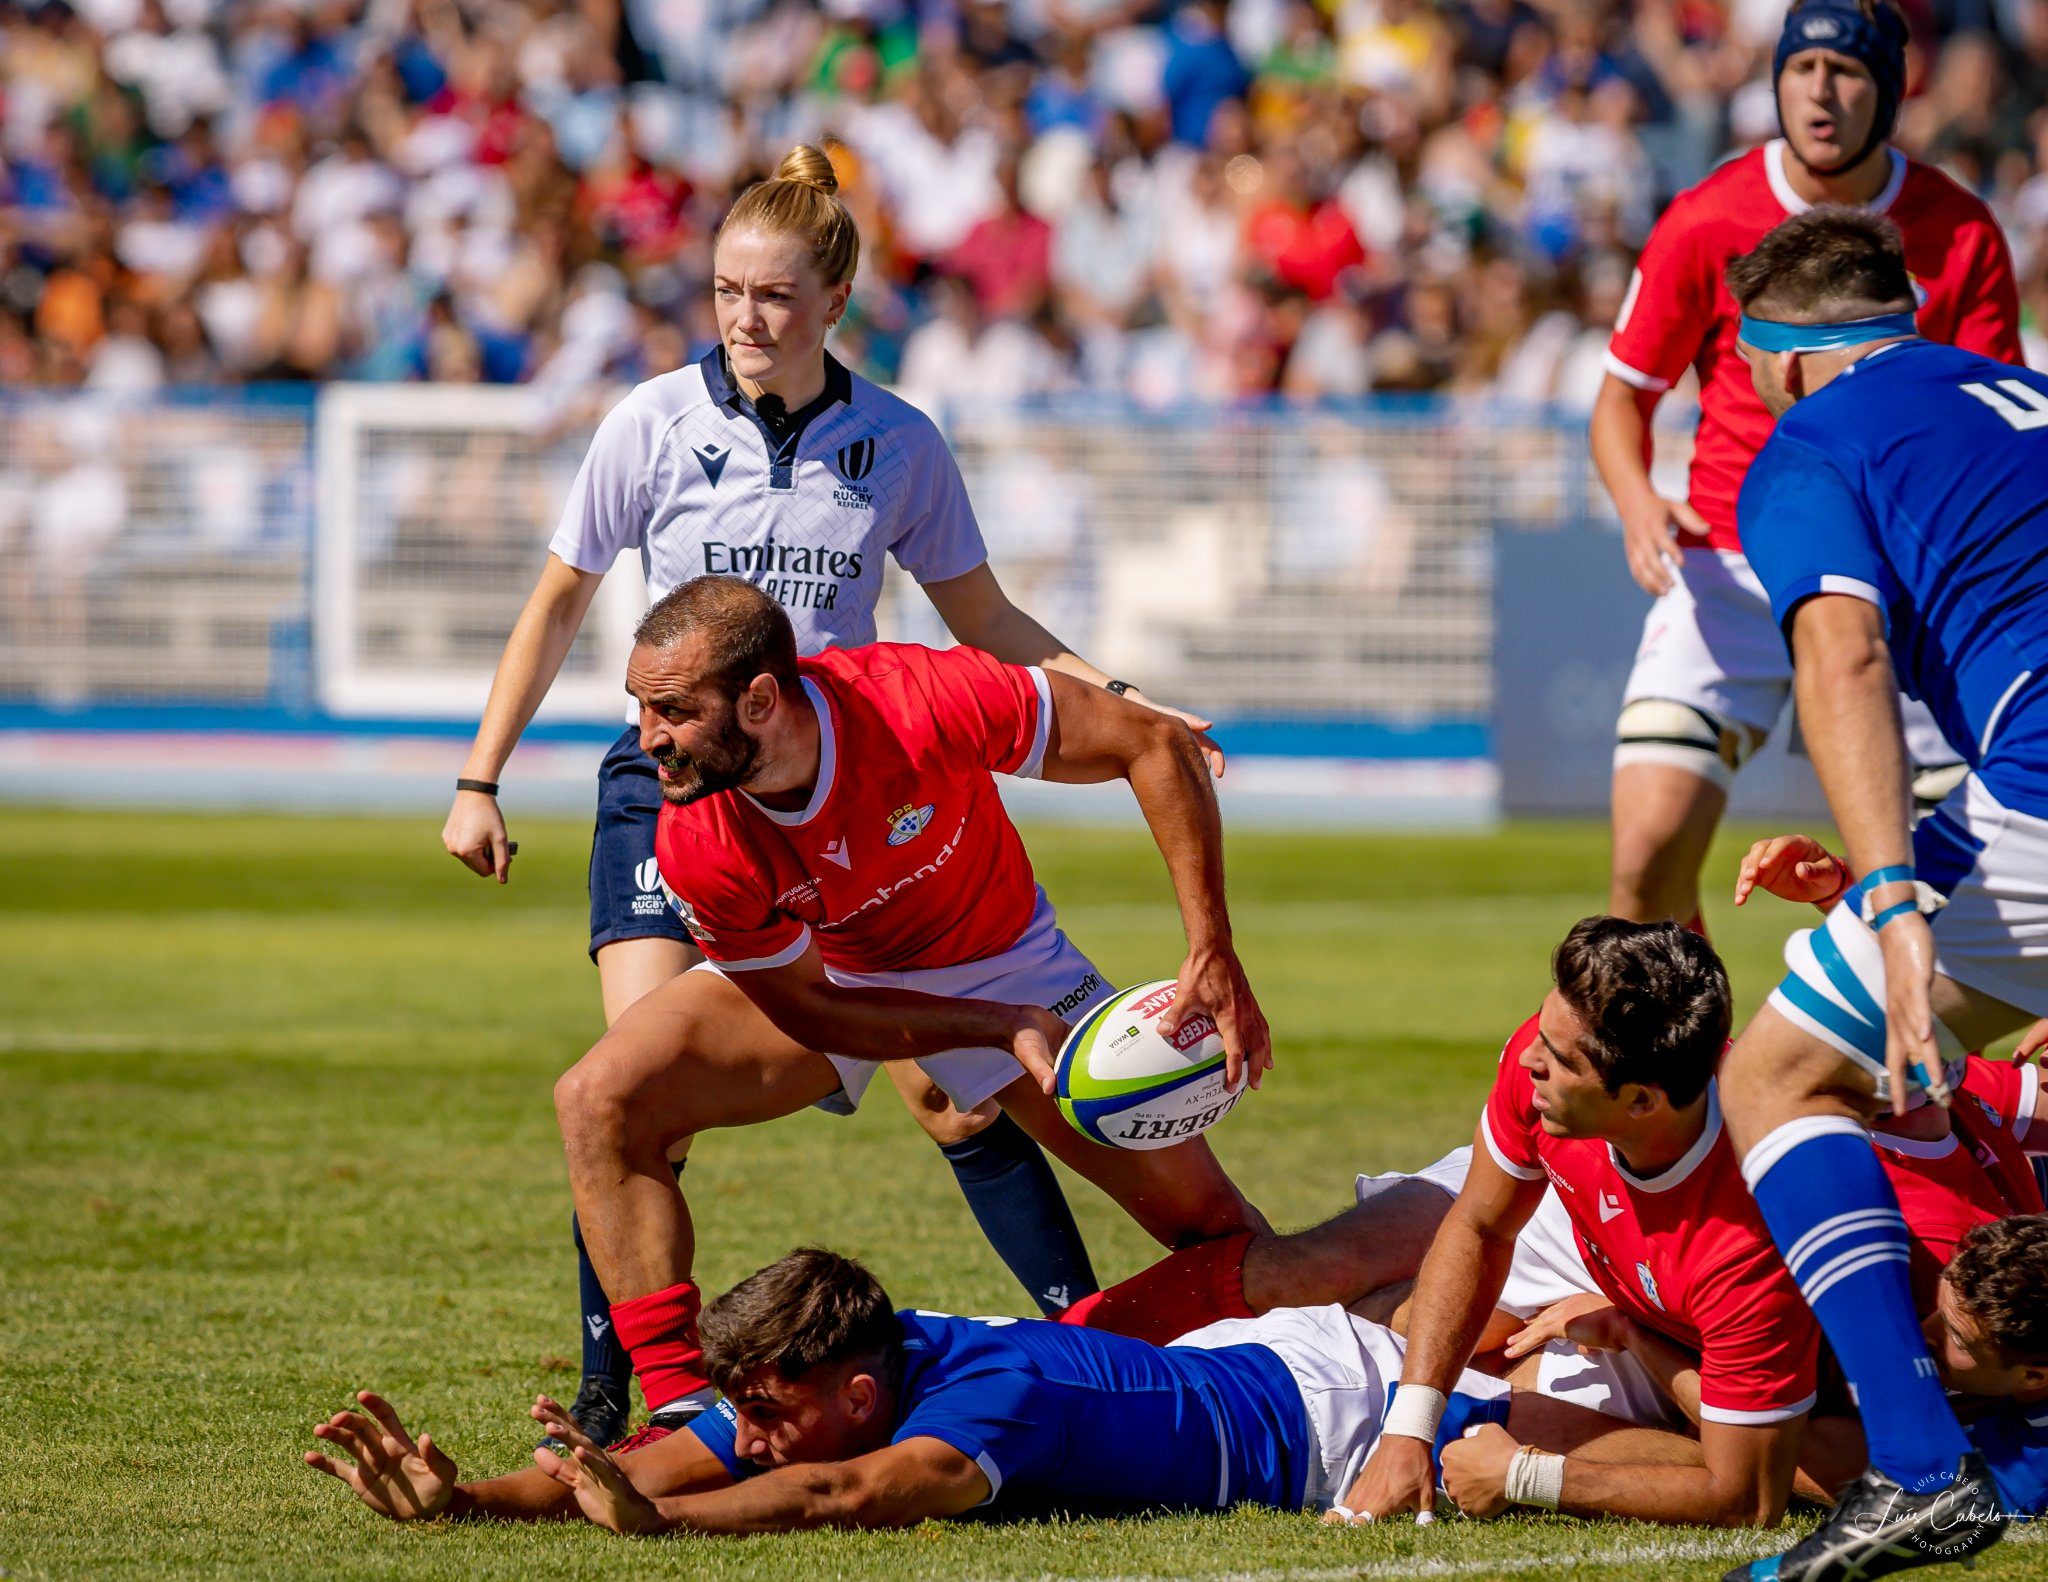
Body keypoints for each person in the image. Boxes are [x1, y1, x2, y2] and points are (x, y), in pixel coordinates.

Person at [441, 143, 1217, 1444]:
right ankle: (613, 1394)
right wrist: (478, 775)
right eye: (729, 290)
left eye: (776, 296)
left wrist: (1125, 698)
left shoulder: (897, 442)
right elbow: (558, 599)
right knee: (639, 1096)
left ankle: (1083, 1327)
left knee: (954, 1093)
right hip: (672, 796)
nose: (747, 318)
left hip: (842, 789)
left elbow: (985, 617)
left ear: (837, 301)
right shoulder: (650, 422)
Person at [550, 575, 1273, 1449]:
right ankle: (676, 1413)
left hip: (1005, 957)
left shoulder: (918, 695)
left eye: (671, 710)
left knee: (1211, 1229)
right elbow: (813, 1010)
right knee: (600, 1097)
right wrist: (985, 1027)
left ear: (761, 700)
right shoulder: (697, 835)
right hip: (842, 978)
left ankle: (1143, 1355)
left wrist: (1212, 953)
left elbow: (1154, 743)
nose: (647, 738)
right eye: (639, 706)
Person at [1698, 205, 2048, 1579]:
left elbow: (1840, 657)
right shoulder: (2020, 391)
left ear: (1777, 357)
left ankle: (1916, 1468)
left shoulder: (1810, 443)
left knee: (1779, 1075)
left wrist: (1896, 904)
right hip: (2018, 798)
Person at [1588, 0, 2019, 934]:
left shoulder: (1962, 231)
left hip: (1900, 586)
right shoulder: (1707, 218)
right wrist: (1636, 503)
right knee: (1643, 861)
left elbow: (1989, 416)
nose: (1820, 91)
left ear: (1891, 89)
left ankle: (1968, 1081)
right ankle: (1696, 1074)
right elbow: (1622, 397)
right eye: (1801, 69)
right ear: (1776, 79)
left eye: (1849, 71)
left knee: (1973, 884)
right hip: (1727, 568)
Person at [303, 1245, 1658, 1532]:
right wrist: (482, 1500)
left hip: (1337, 1418)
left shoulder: (983, 1402)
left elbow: (839, 1486)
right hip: (1266, 1356)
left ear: (850, 1384)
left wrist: (659, 1526)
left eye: (770, 1406)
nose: (747, 1432)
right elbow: (698, 1450)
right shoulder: (869, 1360)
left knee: (1679, 1434)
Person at [1346, 917, 1821, 1529]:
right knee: (1388, 1323)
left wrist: (1526, 1475)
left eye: (1560, 1059)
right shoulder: (1550, 1061)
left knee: (1514, 1407)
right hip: (1615, 1252)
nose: (1528, 1058)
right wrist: (1407, 1432)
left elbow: (1747, 1500)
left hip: (1747, 1341)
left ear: (1642, 1100)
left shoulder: (1749, 1240)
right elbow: (1482, 1228)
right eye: (1542, 1031)